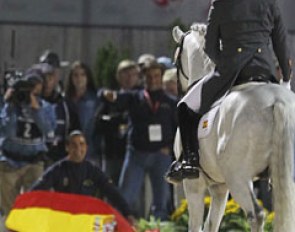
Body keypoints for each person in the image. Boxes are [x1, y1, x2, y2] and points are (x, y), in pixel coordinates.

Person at [166, 0, 293, 181]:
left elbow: (210, 48)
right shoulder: (270, 3)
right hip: (264, 70)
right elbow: (281, 43)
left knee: (185, 106)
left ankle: (190, 161)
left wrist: (225, 65)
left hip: (231, 71)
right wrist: (286, 79)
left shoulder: (221, 3)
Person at [102, 61, 177, 220]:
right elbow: (110, 96)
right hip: (137, 155)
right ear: (143, 78)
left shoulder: (171, 102)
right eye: (149, 76)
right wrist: (108, 95)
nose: (153, 79)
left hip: (161, 156)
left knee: (161, 203)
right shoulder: (134, 97)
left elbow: (179, 129)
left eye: (156, 76)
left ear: (161, 77)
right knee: (125, 198)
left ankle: (158, 230)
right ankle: (120, 228)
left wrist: (170, 147)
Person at [30, 130, 134, 220]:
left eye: (81, 144)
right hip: (64, 218)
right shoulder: (58, 169)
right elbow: (37, 190)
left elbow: (111, 191)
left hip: (86, 219)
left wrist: (127, 213)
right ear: (67, 147)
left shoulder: (93, 170)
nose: (78, 148)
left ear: (86, 147)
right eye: (74, 145)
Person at [0, 71, 56, 216]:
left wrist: (36, 110)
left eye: (34, 85)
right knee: (9, 211)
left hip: (34, 162)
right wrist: (9, 105)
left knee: (34, 207)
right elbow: (6, 130)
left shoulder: (47, 107)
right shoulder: (11, 105)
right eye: (27, 85)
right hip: (9, 161)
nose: (30, 89)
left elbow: (49, 131)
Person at [96, 59, 141, 185]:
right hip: (111, 153)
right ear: (118, 77)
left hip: (134, 155)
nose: (129, 78)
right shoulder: (111, 97)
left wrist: (116, 119)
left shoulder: (141, 97)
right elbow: (98, 122)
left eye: (132, 74)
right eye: (125, 74)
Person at [38, 54, 81, 163]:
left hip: (59, 162)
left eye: (51, 75)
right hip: (34, 162)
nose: (47, 81)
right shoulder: (29, 101)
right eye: (44, 75)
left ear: (58, 75)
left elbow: (75, 133)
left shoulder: (66, 105)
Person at [65, 61, 101, 162]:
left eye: (82, 75)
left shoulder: (95, 99)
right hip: (68, 151)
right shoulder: (65, 99)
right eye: (75, 75)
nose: (79, 79)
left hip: (90, 151)